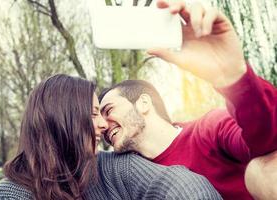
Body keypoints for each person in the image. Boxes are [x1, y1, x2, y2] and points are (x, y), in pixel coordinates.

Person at [99, 0, 277, 199]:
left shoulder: (208, 130)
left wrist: (234, 78)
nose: (102, 124)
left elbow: (268, 140)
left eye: (108, 111)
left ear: (143, 103)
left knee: (265, 169)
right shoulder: (125, 174)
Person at [0, 74, 222, 200]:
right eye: (93, 114)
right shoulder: (12, 193)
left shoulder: (112, 168)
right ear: (62, 120)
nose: (103, 124)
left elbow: (181, 185)